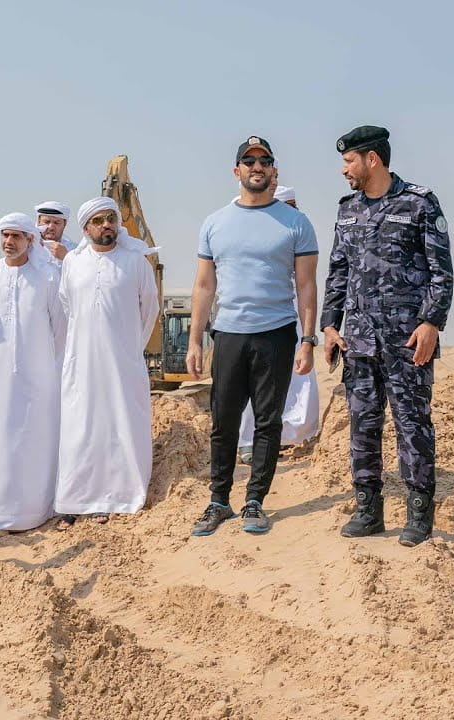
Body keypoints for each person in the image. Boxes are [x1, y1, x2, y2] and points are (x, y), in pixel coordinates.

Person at [321, 125, 454, 547]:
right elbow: (338, 271)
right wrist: (329, 325)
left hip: (407, 340)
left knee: (413, 423)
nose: (344, 169)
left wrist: (431, 322)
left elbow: (442, 271)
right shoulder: (347, 209)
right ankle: (369, 509)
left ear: (371, 159)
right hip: (358, 339)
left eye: (348, 161)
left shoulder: (419, 203)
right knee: (363, 423)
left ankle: (418, 513)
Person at [187, 137, 319, 537]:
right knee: (223, 422)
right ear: (237, 171)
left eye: (264, 161)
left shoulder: (296, 223)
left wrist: (308, 340)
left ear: (274, 171)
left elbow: (307, 286)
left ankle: (255, 502)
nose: (256, 166)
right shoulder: (215, 222)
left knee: (267, 422)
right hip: (228, 335)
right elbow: (204, 286)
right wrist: (195, 340)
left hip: (276, 335)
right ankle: (218, 501)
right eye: (249, 161)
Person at [54, 198, 159, 529]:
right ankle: (76, 498)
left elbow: (149, 310)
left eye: (110, 219)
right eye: (98, 221)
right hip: (81, 361)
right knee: (80, 427)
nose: (106, 225)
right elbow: (67, 305)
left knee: (120, 425)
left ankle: (116, 496)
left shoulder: (136, 261)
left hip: (123, 361)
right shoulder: (73, 262)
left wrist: (128, 347)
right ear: (86, 228)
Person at [0, 213, 66, 530]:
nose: (9, 242)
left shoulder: (48, 278)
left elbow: (60, 328)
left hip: (39, 375)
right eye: (5, 235)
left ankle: (35, 510)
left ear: (30, 240)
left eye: (16, 236)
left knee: (35, 438)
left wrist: (44, 365)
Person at [235, 186, 320, 464]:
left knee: (298, 380)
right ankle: (250, 440)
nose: (294, 211)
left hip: (294, 320)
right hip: (259, 320)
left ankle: (294, 436)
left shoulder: (301, 233)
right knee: (255, 381)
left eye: (296, 205)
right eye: (288, 205)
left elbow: (308, 283)